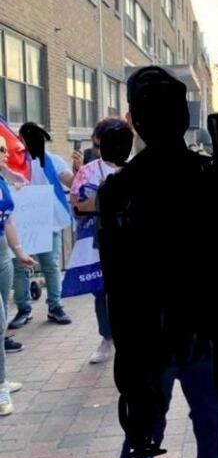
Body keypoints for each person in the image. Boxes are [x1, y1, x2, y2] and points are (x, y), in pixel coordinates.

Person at [97, 67, 218, 458]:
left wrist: (126, 351)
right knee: (215, 430)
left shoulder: (117, 189)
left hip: (145, 338)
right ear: (185, 118)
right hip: (206, 334)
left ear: (133, 120)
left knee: (143, 434)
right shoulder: (213, 177)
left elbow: (115, 282)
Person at [64, 118, 133, 365]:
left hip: (136, 243)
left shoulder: (139, 167)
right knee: (102, 293)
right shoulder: (89, 172)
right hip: (101, 242)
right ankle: (107, 338)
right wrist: (106, 198)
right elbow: (77, 208)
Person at [7, 122, 75, 328]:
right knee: (23, 267)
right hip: (22, 224)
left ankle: (53, 306)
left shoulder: (52, 161)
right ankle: (25, 309)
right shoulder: (15, 163)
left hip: (47, 223)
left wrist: (80, 171)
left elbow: (71, 182)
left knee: (49, 266)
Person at [0, 135, 37, 415]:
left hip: (4, 255)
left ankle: (1, 377)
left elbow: (8, 219)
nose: (6, 153)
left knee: (2, 319)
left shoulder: (2, 180)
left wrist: (20, 250)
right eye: (1, 150)